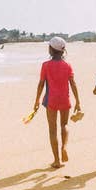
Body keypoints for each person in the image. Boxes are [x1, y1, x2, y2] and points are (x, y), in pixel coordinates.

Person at [32, 36, 81, 168]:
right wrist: (78, 101)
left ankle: (57, 161)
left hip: (51, 101)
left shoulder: (46, 65)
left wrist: (36, 100)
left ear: (51, 50)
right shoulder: (67, 65)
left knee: (52, 130)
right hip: (65, 100)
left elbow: (41, 84)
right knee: (64, 125)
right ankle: (64, 147)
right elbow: (73, 83)